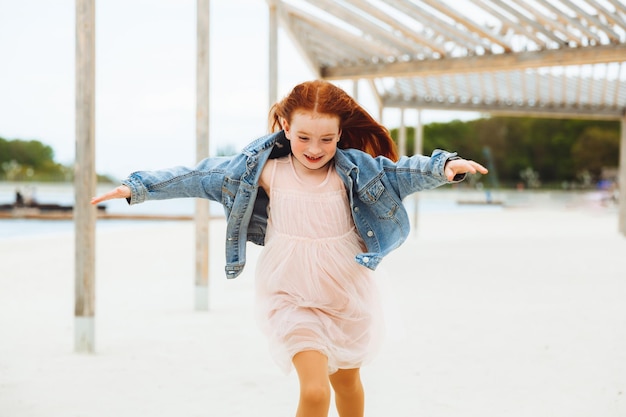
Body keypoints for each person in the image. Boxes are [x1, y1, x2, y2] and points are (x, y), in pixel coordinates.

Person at [91, 80, 487, 417]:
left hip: (344, 292)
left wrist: (443, 168)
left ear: (339, 133)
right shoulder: (264, 170)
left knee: (347, 382)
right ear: (284, 125)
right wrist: (139, 188)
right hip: (290, 291)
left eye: (326, 139)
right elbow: (200, 177)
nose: (314, 148)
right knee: (315, 392)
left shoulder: (355, 169)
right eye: (303, 137)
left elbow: (403, 172)